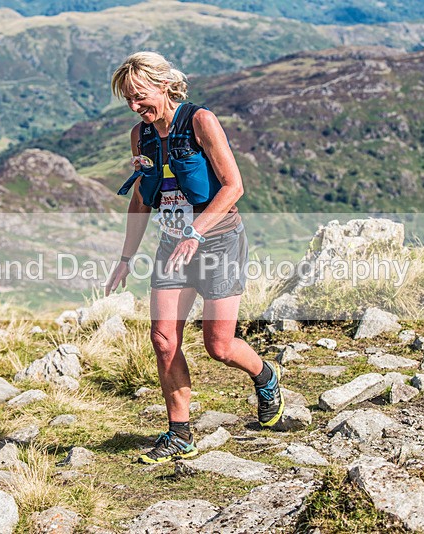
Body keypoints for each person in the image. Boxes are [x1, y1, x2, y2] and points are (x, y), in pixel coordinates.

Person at [105, 52, 283, 464]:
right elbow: (140, 199)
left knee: (219, 346)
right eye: (128, 100)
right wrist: (126, 257)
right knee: (163, 339)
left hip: (218, 242)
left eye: (140, 95)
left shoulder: (200, 121)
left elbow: (233, 186)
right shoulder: (141, 135)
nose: (135, 106)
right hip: (172, 247)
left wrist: (195, 231)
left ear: (165, 84)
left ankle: (266, 375)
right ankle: (180, 433)